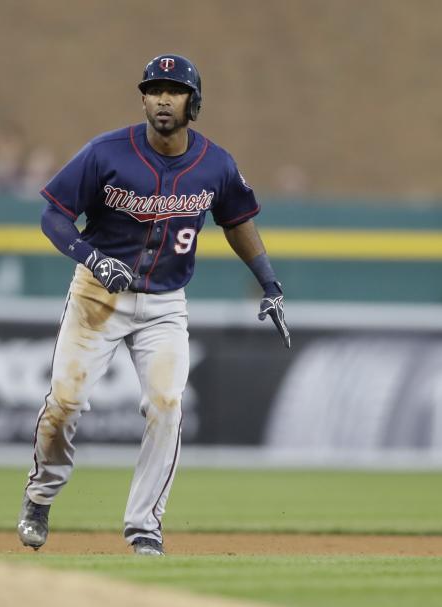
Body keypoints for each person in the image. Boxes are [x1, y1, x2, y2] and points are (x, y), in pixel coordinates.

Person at [17, 53, 291, 556]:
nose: (164, 98)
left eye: (175, 89)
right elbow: (53, 216)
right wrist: (91, 257)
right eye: (154, 89)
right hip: (98, 296)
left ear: (194, 101)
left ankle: (145, 526)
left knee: (166, 405)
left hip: (165, 303)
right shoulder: (106, 153)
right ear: (143, 97)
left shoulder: (215, 163)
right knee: (66, 402)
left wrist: (269, 282)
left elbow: (237, 222)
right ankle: (40, 496)